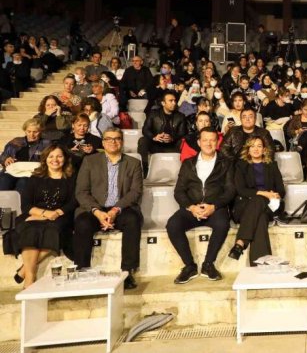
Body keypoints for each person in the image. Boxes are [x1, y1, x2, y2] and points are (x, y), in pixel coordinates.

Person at [73, 128, 143, 290]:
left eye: (117, 138)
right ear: (103, 142)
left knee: (133, 220)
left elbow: (135, 192)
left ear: (122, 142)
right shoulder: (89, 161)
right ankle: (82, 270)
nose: (113, 141)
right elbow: (81, 191)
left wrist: (115, 210)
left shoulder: (133, 163)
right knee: (82, 223)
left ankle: (127, 272)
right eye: (109, 139)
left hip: (121, 209)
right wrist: (97, 212)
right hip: (95, 209)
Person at [168, 127, 235, 284]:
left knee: (222, 224)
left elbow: (230, 191)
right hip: (192, 208)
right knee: (173, 225)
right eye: (205, 140)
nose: (208, 143)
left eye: (212, 140)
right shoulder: (188, 163)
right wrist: (191, 207)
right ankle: (189, 266)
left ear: (217, 142)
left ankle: (208, 264)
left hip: (215, 208)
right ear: (199, 142)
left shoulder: (226, 163)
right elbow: (179, 191)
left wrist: (214, 206)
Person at [12, 146, 75, 288]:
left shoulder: (71, 178)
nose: (55, 160)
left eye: (59, 156)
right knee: (30, 229)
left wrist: (56, 213)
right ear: (45, 159)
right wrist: (44, 214)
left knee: (53, 230)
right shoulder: (35, 178)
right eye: (51, 156)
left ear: (65, 159)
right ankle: (30, 277)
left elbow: (73, 202)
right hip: (36, 214)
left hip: (61, 215)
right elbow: (26, 205)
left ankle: (25, 270)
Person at [228, 137, 285, 263]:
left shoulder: (272, 166)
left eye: (259, 146)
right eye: (252, 146)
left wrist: (275, 195)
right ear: (248, 149)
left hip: (269, 205)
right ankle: (261, 264)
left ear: (264, 150)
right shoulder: (241, 166)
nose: (256, 149)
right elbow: (241, 190)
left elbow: (281, 190)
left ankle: (240, 243)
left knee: (260, 204)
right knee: (261, 218)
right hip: (245, 206)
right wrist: (263, 193)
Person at [138, 90, 187, 175]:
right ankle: (144, 170)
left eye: (175, 100)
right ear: (163, 103)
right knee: (143, 140)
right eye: (171, 101)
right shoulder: (153, 114)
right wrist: (154, 137)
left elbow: (182, 133)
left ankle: (184, 173)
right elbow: (145, 129)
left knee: (184, 142)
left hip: (172, 145)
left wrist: (172, 138)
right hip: (156, 144)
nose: (174, 103)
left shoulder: (180, 116)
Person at [0, 118, 51, 192]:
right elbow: (3, 155)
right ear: (25, 131)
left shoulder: (46, 144)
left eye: (35, 132)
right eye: (29, 131)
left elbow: (51, 159)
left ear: (41, 131)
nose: (31, 135)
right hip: (12, 170)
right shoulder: (16, 141)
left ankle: (20, 200)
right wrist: (5, 159)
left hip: (31, 172)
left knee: (23, 182)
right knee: (3, 180)